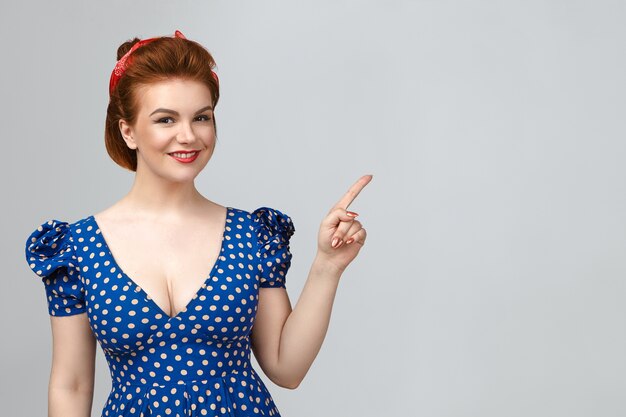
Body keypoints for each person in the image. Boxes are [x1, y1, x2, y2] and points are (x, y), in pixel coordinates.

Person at [24, 29, 371, 417]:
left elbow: (286, 368)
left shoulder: (251, 236)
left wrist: (327, 266)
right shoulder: (76, 249)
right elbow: (70, 385)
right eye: (166, 119)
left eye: (201, 117)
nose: (188, 136)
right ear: (128, 131)